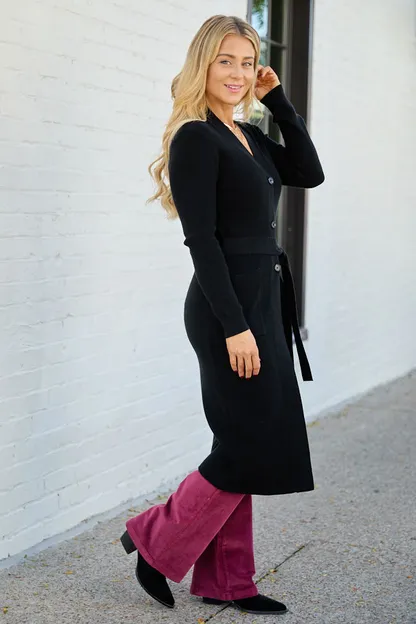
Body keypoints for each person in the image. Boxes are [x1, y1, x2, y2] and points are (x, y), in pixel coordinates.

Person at [119, 14, 324, 616]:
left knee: (248, 440)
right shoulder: (195, 138)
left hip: (262, 299)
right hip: (225, 306)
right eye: (225, 60)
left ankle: (227, 582)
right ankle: (155, 537)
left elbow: (309, 173)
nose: (237, 73)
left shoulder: (248, 134)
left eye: (247, 61)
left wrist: (277, 101)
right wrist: (235, 326)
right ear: (203, 64)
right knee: (245, 442)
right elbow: (202, 242)